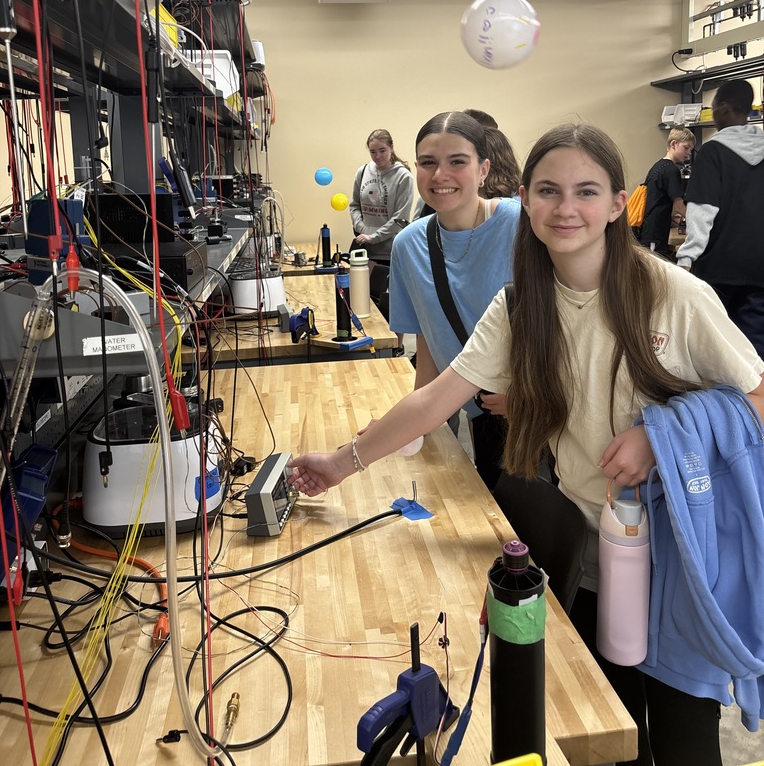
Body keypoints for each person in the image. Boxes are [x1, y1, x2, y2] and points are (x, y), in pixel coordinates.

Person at [291, 122, 764, 766]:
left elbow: (757, 398)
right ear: (527, 199)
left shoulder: (673, 296)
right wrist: (340, 462)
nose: (566, 208)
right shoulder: (522, 306)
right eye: (548, 191)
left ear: (619, 203)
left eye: (586, 191)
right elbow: (435, 398)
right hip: (598, 557)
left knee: (684, 741)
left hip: (680, 558)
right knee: (618, 737)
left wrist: (660, 437)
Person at [389, 111, 521, 487]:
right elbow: (430, 340)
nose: (439, 175)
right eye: (428, 163)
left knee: (544, 524)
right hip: (481, 414)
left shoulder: (521, 225)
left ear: (483, 170)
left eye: (457, 162)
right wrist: (416, 423)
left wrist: (532, 396)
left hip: (539, 412)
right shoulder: (408, 246)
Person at [677, 78, 764, 357]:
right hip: (760, 268)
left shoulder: (713, 152)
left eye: (713, 107)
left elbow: (703, 211)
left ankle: (721, 401)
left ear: (724, 107)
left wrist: (686, 259)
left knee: (717, 349)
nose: (713, 114)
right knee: (754, 352)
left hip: (720, 269)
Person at [349, 129, 414, 348]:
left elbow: (400, 218)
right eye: (373, 152)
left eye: (382, 151)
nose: (377, 156)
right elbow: (354, 205)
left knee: (392, 304)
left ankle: (396, 346)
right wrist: (360, 229)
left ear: (392, 148)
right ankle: (365, 344)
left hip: (389, 248)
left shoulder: (403, 176)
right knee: (360, 301)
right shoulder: (363, 171)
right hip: (364, 245)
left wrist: (374, 236)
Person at [638, 127, 695, 256]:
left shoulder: (657, 166)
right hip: (654, 233)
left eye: (691, 149)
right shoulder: (671, 170)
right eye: (686, 148)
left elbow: (657, 200)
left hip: (648, 229)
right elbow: (679, 205)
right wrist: (697, 222)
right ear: (673, 144)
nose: (689, 153)